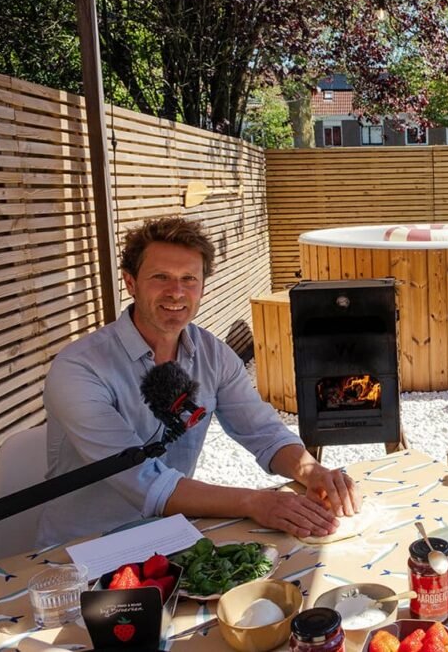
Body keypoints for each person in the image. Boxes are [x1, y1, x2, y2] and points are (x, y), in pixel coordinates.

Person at [37, 217, 361, 546]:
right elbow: (143, 480)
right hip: (82, 553)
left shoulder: (213, 355)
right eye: (160, 277)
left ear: (202, 288)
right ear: (130, 283)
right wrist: (253, 501)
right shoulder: (78, 368)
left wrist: (311, 471)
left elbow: (263, 432)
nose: (176, 292)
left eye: (189, 279)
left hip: (171, 537)